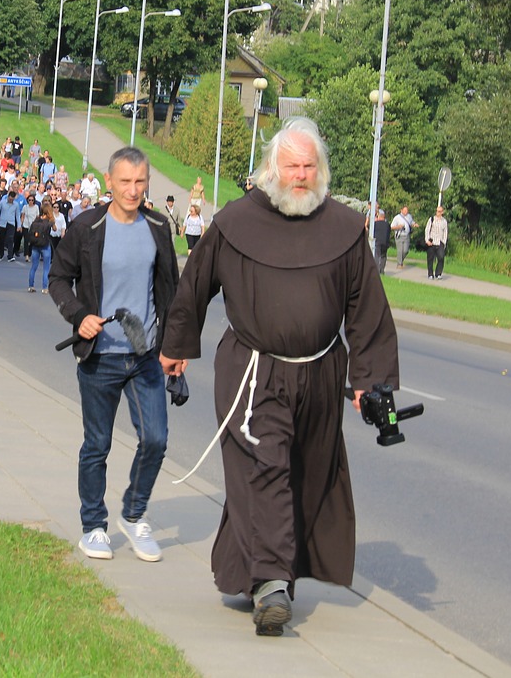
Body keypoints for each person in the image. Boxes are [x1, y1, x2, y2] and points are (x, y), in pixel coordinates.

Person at [159, 116, 400, 637]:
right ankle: (271, 585)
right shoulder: (235, 222)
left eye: (309, 166)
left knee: (304, 474)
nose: (301, 175)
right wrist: (177, 347)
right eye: (291, 165)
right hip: (254, 372)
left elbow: (366, 309)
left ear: (322, 170)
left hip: (319, 373)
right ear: (272, 167)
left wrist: (369, 380)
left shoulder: (343, 229)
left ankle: (252, 568)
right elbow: (194, 285)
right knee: (266, 467)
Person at [48, 146, 180, 565]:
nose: (133, 189)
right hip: (100, 355)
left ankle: (134, 514)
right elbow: (58, 279)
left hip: (144, 354)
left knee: (156, 439)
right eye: (125, 181)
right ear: (109, 181)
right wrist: (79, 315)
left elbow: (171, 291)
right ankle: (94, 527)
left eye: (140, 181)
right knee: (97, 445)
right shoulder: (88, 226)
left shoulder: (158, 225)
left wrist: (175, 347)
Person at [26, 200, 55, 293]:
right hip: (45, 245)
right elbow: (55, 229)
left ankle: (31, 286)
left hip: (35, 244)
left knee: (34, 266)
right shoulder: (49, 221)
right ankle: (45, 287)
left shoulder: (37, 219)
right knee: (46, 267)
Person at [424, 206, 449, 280]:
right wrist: (427, 240)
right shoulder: (432, 219)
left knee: (441, 257)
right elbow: (427, 230)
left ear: (442, 212)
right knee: (430, 258)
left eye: (440, 211)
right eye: (437, 211)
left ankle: (438, 273)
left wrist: (444, 242)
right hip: (432, 241)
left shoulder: (444, 221)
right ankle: (430, 274)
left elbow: (445, 232)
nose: (438, 213)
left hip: (440, 241)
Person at [370, 207, 390, 274]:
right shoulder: (387, 224)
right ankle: (382, 269)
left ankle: (377, 270)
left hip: (377, 241)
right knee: (383, 256)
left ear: (379, 216)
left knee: (377, 255)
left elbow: (372, 232)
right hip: (385, 242)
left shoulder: (375, 224)